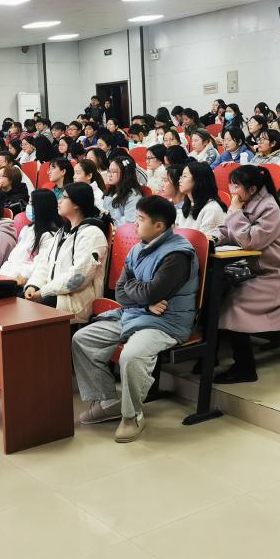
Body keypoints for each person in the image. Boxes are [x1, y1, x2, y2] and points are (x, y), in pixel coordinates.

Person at [72, 195, 200, 442]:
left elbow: (152, 292)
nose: (134, 224)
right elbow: (121, 291)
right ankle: (108, 402)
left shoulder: (177, 255)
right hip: (138, 313)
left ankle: (132, 416)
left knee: (131, 355)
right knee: (83, 339)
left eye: (140, 219)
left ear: (159, 226)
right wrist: (145, 300)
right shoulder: (139, 247)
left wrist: (143, 295)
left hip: (167, 322)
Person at [214, 165, 280, 382]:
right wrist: (211, 238)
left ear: (252, 189)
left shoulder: (268, 207)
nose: (232, 190)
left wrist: (235, 212)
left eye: (236, 185)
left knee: (234, 306)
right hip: (250, 270)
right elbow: (227, 231)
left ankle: (245, 368)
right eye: (231, 184)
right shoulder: (243, 202)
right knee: (214, 294)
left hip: (273, 275)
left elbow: (251, 241)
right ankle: (209, 358)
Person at [23, 182, 109, 321]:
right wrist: (33, 286)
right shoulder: (62, 232)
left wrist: (43, 292)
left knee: (29, 312)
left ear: (76, 204)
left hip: (77, 301)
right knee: (20, 301)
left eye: (64, 197)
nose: (59, 201)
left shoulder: (92, 234)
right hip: (55, 293)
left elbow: (78, 278)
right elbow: (44, 264)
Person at [0, 189, 62, 289]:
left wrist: (16, 277)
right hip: (6, 275)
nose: (28, 207)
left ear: (41, 207)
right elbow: (13, 258)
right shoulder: (27, 229)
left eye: (31, 203)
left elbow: (39, 266)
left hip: (22, 282)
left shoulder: (50, 236)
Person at [176, 161, 226, 237]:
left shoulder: (212, 209)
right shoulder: (188, 204)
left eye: (184, 176)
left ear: (198, 180)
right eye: (181, 176)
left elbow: (203, 241)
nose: (180, 180)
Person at [101, 156, 142, 227]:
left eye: (114, 172)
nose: (109, 175)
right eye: (109, 171)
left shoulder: (133, 196)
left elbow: (129, 223)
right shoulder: (111, 190)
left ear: (125, 173)